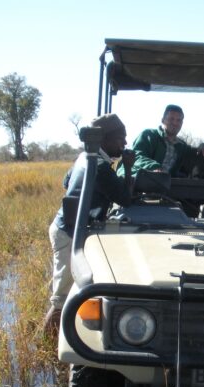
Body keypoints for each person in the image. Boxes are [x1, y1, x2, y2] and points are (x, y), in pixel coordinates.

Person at [43, 113, 135, 336]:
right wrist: (128, 167)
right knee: (62, 295)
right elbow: (125, 198)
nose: (124, 143)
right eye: (120, 138)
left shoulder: (84, 157)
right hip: (68, 232)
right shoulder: (100, 166)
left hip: (66, 227)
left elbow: (66, 182)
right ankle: (46, 343)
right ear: (105, 139)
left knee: (67, 286)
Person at [124, 104, 201, 177]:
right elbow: (137, 156)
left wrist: (201, 149)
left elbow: (194, 156)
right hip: (139, 179)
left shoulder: (182, 146)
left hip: (165, 184)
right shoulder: (148, 135)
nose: (175, 123)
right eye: (171, 119)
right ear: (163, 120)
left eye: (179, 120)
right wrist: (155, 168)